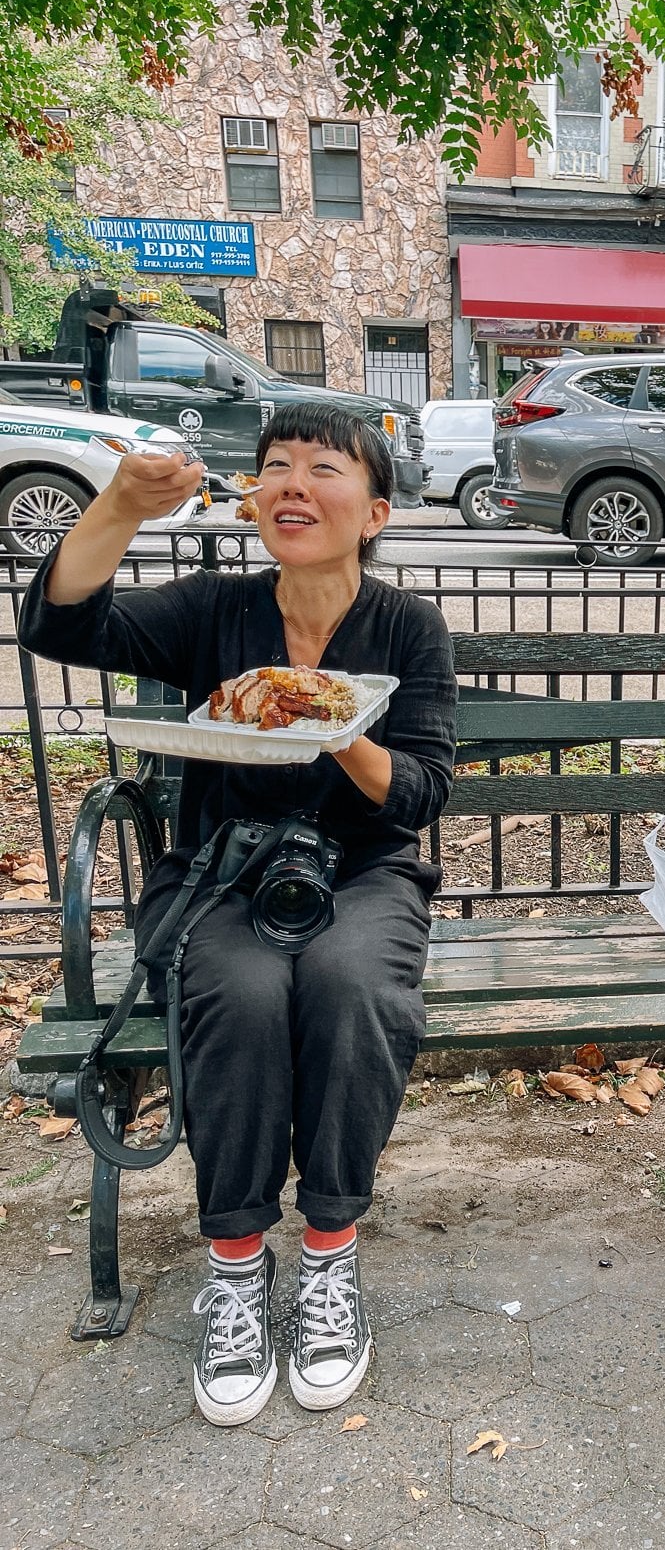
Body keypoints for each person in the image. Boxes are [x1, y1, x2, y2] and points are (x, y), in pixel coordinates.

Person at [19, 402, 457, 1424]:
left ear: (376, 511)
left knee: (351, 985)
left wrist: (332, 722)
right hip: (220, 870)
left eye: (324, 467)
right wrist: (122, 506)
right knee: (244, 992)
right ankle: (234, 1264)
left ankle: (329, 1254)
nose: (293, 482)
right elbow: (59, 624)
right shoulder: (215, 608)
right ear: (252, 498)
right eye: (275, 467)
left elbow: (423, 792)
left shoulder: (408, 627)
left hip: (362, 872)